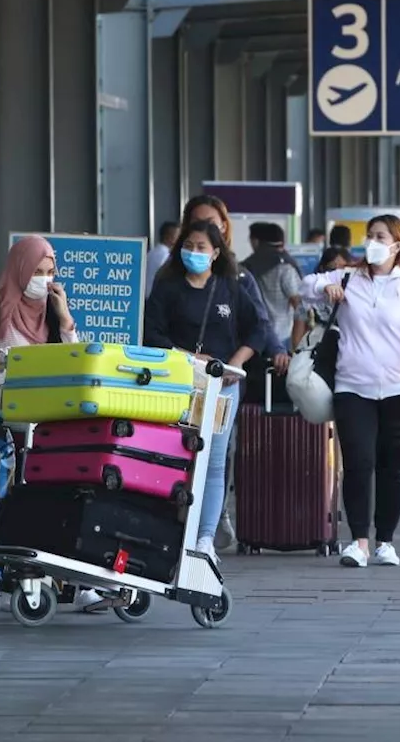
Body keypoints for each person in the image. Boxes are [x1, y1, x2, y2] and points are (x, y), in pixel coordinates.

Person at [303, 215, 400, 568]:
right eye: (370, 235)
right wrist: (323, 288)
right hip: (353, 387)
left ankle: (386, 541)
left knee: (393, 468)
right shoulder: (349, 277)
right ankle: (359, 542)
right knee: (359, 463)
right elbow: (304, 285)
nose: (372, 242)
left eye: (380, 236)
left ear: (397, 245)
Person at [144, 220, 264, 561]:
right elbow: (152, 336)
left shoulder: (229, 287)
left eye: (201, 247)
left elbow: (256, 331)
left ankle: (205, 538)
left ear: (215, 253)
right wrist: (193, 359)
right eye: (189, 245)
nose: (194, 253)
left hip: (221, 388)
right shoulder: (167, 287)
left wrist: (235, 365)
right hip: (179, 384)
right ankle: (172, 531)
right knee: (173, 457)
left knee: (213, 462)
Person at [0, 235, 78, 370]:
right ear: (19, 270)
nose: (45, 279)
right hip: (9, 389)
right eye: (37, 272)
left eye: (50, 272)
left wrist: (65, 318)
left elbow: (75, 358)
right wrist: (13, 359)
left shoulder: (54, 305)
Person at [244, 222, 301, 346]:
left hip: (253, 336)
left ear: (256, 241)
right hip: (281, 336)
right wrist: (297, 342)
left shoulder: (247, 266)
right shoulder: (286, 267)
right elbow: (299, 305)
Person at [291, 246, 351, 350]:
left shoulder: (352, 292)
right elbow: (298, 334)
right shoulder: (310, 294)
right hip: (316, 351)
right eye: (332, 269)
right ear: (322, 268)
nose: (335, 273)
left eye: (342, 268)